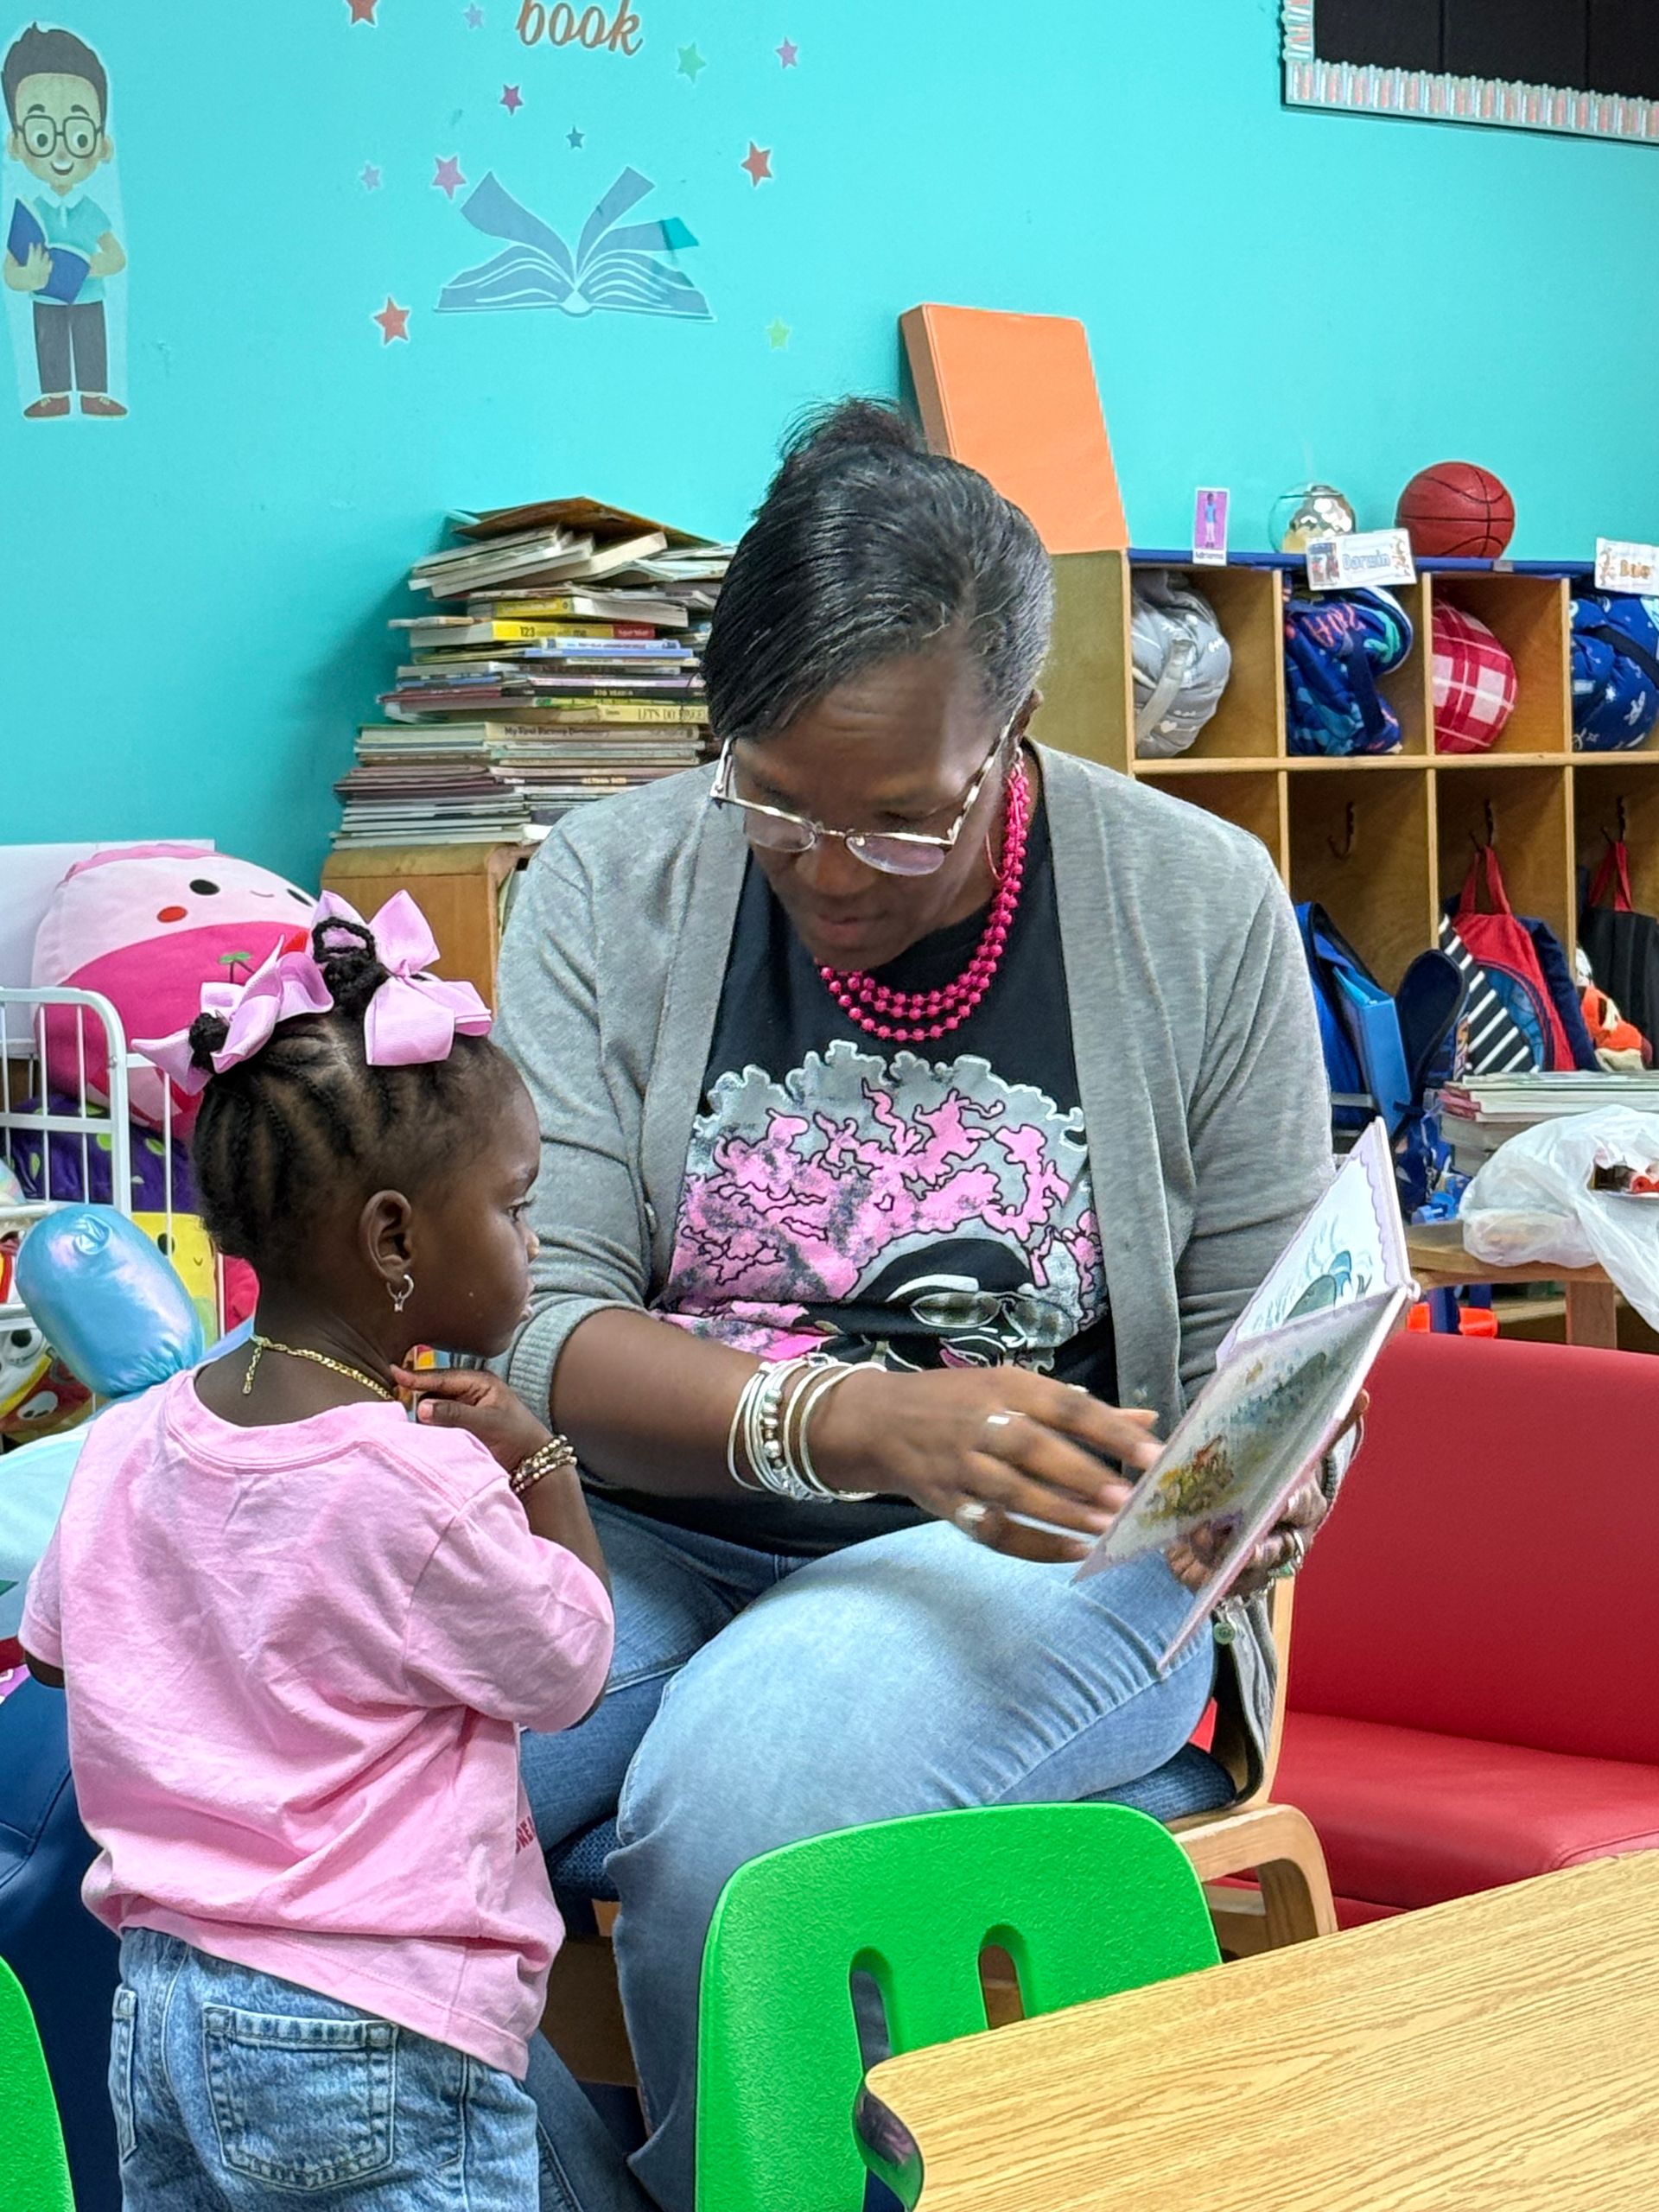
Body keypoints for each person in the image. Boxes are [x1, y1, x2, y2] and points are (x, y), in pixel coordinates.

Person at [496, 400, 1344, 2209]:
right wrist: (854, 1416)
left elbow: (1261, 1352)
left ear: (1014, 734)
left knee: (743, 1810)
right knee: (317, 1745)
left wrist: (1276, 1454)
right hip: (640, 1526)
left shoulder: (1199, 906)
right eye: (773, 798)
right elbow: (537, 1329)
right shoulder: (602, 885)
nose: (822, 866)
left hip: (1055, 1554)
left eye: (900, 823)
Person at [22, 894, 652, 2212]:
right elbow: (571, 1669)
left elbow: (67, 1656)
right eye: (516, 1210)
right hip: (378, 2024)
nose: (534, 1248)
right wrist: (538, 1466)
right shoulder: (418, 1481)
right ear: (394, 1239)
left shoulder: (134, 1439)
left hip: (165, 2004)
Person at [1, 22, 127, 419]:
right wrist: (27, 277)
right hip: (46, 296)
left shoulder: (90, 209)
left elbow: (116, 256)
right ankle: (54, 394)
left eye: (77, 135)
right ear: (18, 143)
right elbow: (10, 269)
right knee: (49, 339)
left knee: (91, 339)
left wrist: (96, 264)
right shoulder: (31, 211)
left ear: (102, 144)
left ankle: (94, 393)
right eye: (42, 135)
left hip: (88, 293)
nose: (60, 153)